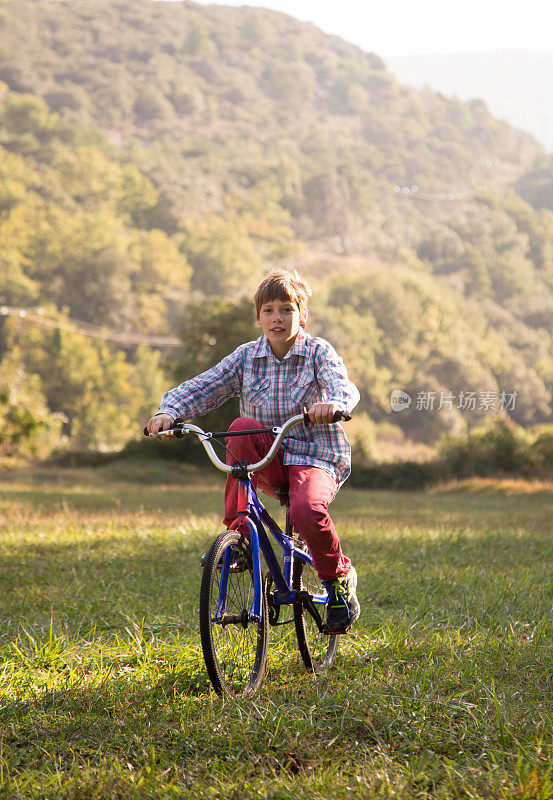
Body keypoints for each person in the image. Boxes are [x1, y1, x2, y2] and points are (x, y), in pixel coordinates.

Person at [147, 268, 361, 632]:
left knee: (306, 510)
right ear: (259, 317)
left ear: (302, 315)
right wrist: (169, 411)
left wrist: (334, 405)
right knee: (240, 428)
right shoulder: (246, 357)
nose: (277, 318)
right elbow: (205, 386)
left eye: (287, 310)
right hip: (269, 456)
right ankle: (239, 536)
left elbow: (343, 387)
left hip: (315, 455)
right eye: (269, 310)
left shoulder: (317, 352)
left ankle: (339, 582)